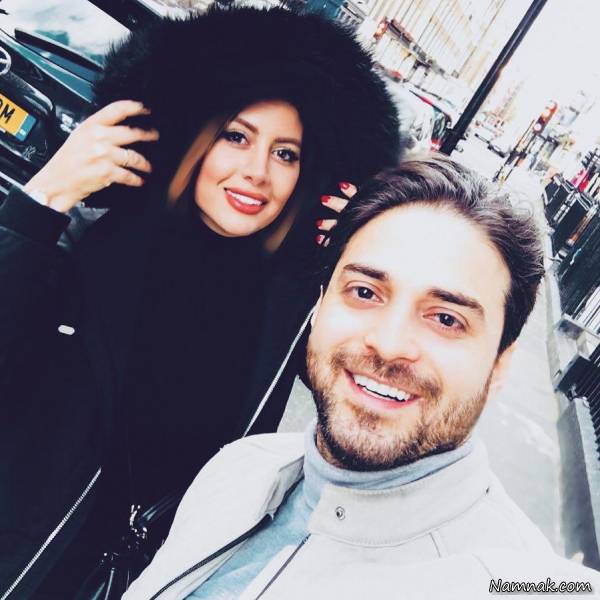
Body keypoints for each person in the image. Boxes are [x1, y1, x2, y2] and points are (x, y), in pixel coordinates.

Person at [0, 7, 401, 598]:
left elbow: (374, 419)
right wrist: (42, 201)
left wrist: (362, 265)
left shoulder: (294, 307)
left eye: (286, 153)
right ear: (194, 139)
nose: (257, 172)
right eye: (236, 137)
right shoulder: (86, 245)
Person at [123, 155, 600, 600]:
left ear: (499, 367)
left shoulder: (518, 582)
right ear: (320, 304)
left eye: (446, 319)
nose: (389, 344)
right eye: (365, 292)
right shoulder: (237, 470)